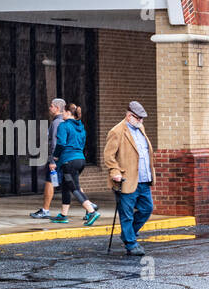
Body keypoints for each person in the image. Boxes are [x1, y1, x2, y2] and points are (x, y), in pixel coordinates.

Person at [104, 100, 155, 256]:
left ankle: (128, 234)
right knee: (126, 214)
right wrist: (115, 172)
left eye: (142, 118)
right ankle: (131, 244)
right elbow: (109, 156)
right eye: (138, 118)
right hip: (126, 180)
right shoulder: (117, 131)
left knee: (147, 209)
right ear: (128, 116)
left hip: (144, 179)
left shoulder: (140, 129)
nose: (140, 121)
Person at [50, 104, 100, 225]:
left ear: (67, 112)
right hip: (80, 160)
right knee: (67, 187)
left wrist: (55, 156)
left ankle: (91, 211)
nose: (62, 115)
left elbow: (61, 143)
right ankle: (63, 215)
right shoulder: (81, 126)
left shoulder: (64, 125)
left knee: (74, 188)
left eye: (64, 112)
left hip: (68, 161)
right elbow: (82, 142)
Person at [29, 97, 66, 219]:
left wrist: (53, 160)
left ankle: (45, 210)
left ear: (57, 108)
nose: (49, 108)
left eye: (51, 106)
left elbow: (55, 143)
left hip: (57, 160)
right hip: (65, 158)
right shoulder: (63, 122)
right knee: (72, 183)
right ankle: (90, 207)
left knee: (50, 182)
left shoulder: (56, 123)